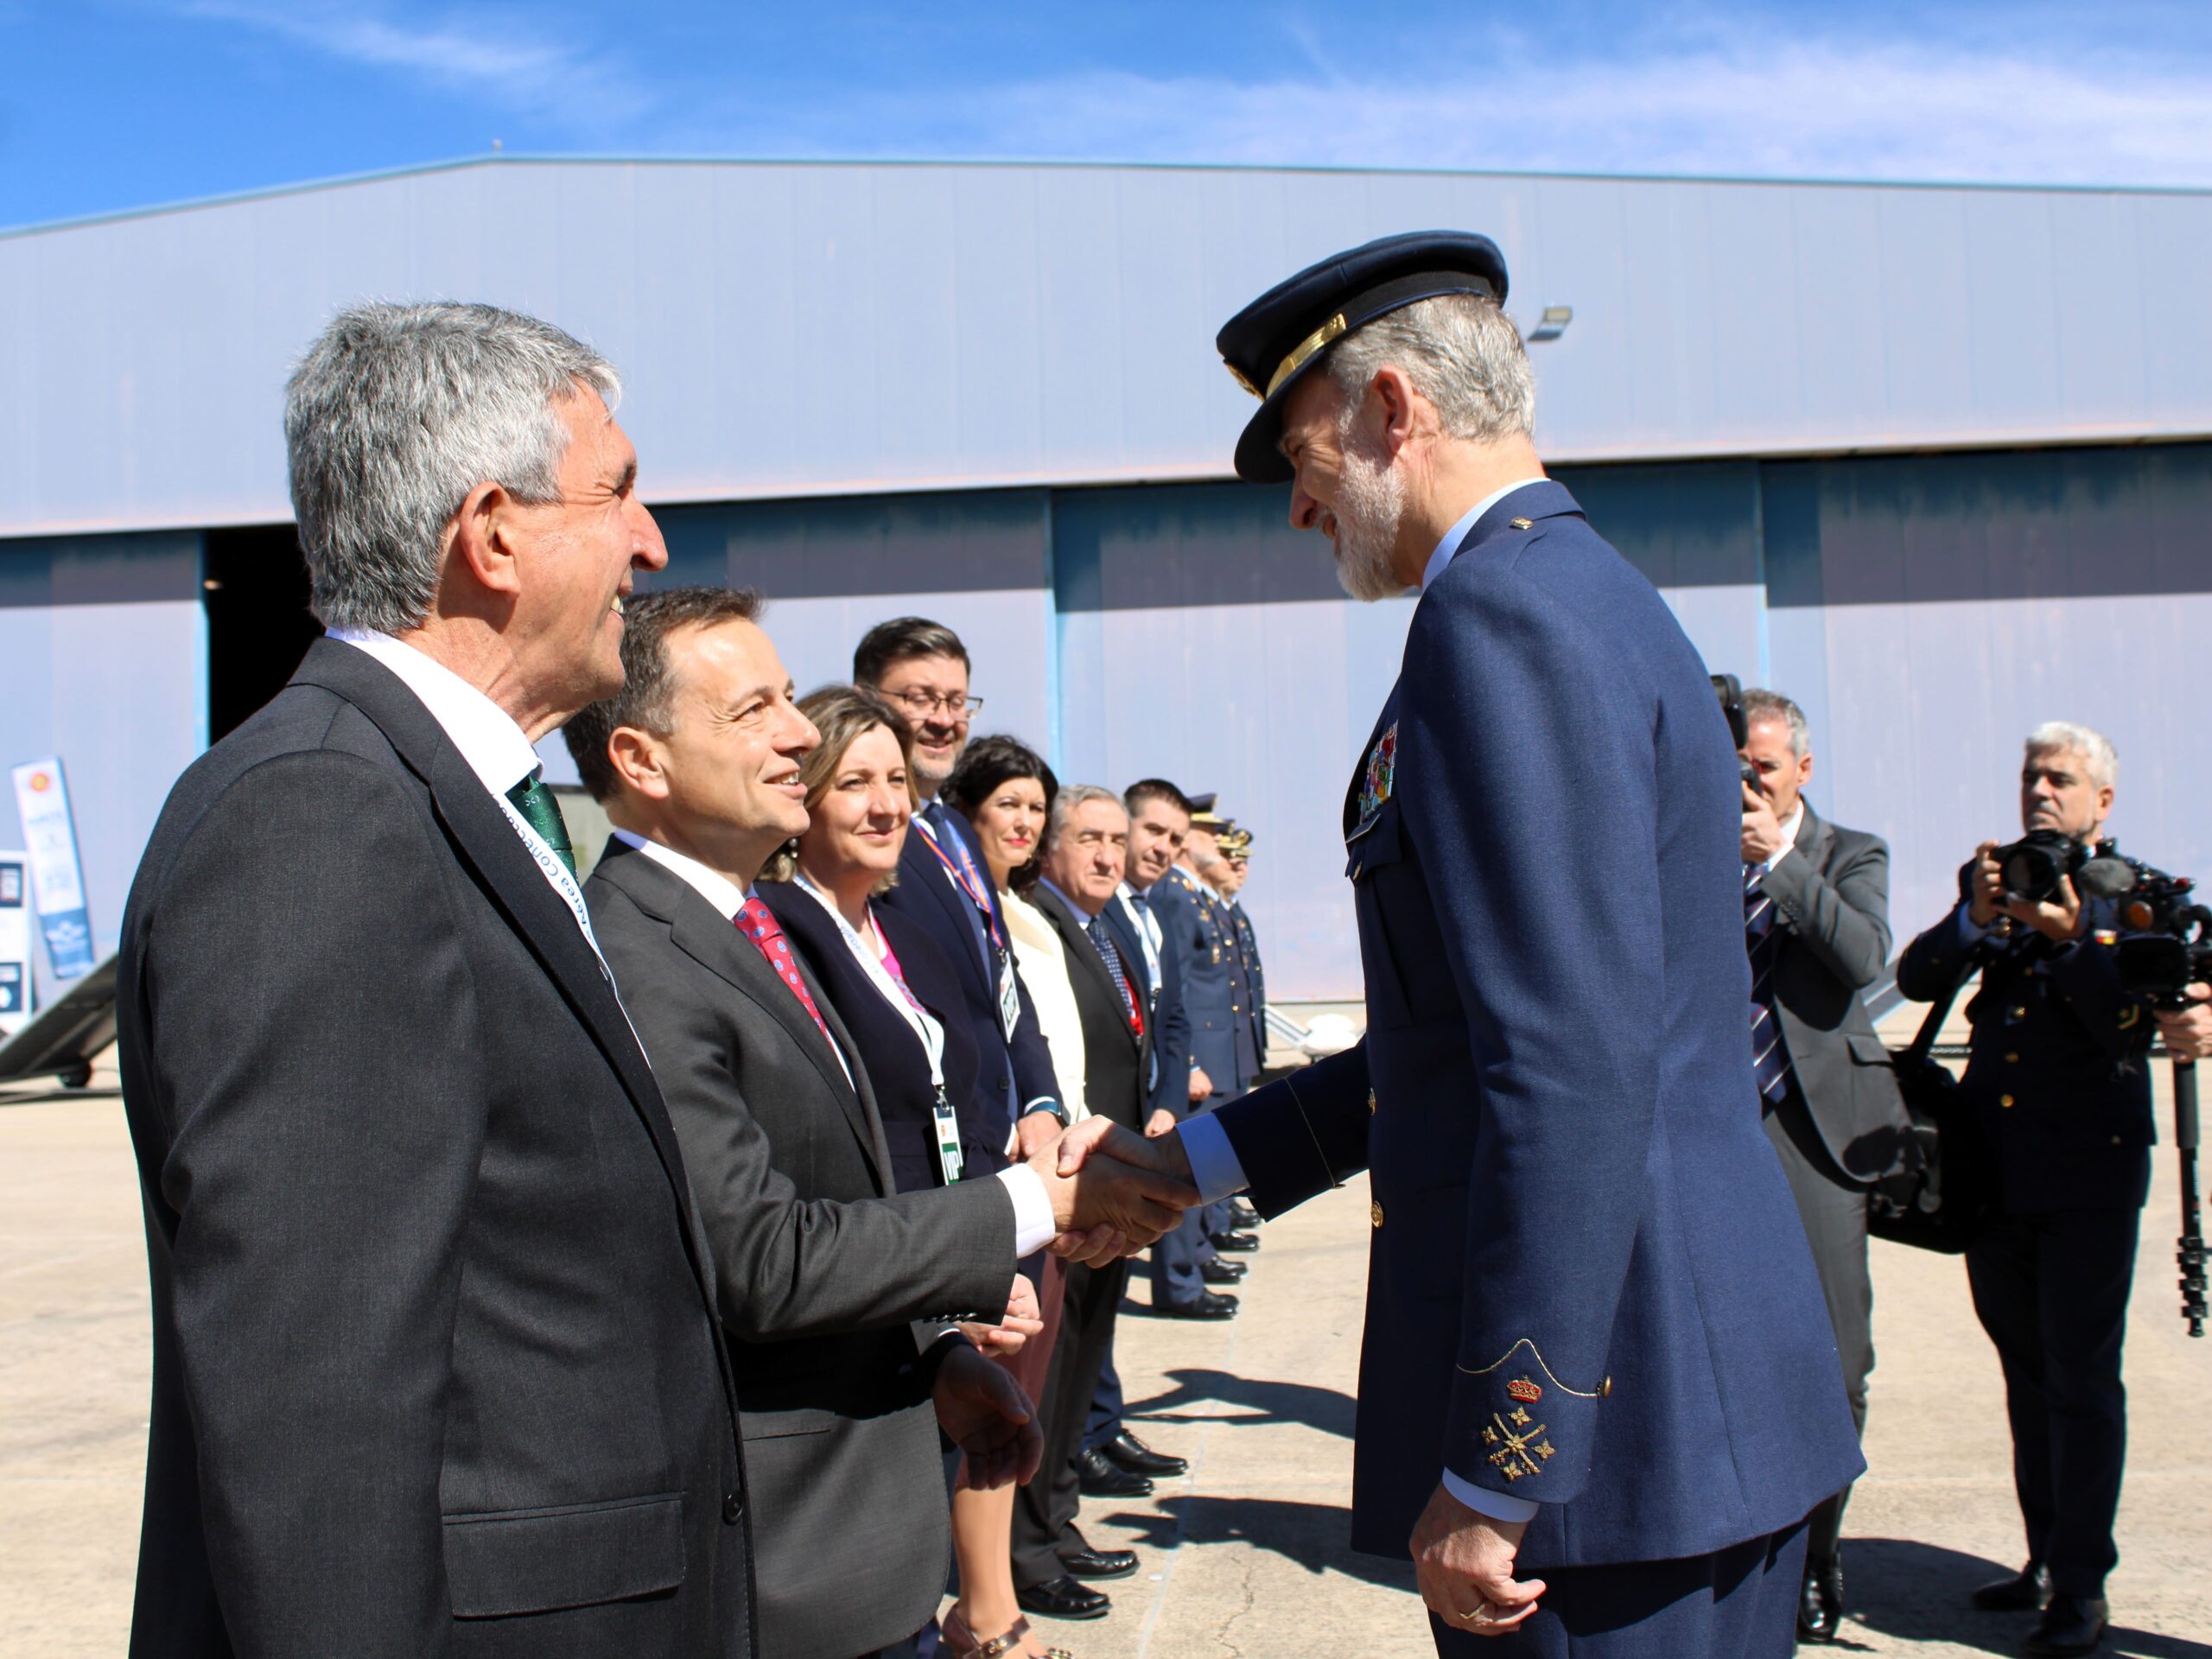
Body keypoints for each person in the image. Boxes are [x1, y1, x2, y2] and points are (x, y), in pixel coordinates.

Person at [1069, 231, 1862, 1656]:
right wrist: (1192, 1166)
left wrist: (1507, 1462)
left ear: (1391, 409)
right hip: (1675, 1407)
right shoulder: (1574, 588)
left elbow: (1571, 1067)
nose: (1303, 515)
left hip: (1614, 1445)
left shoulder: (1499, 618)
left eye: (1304, 462)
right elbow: (1459, 1042)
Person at [113, 302, 752, 1656]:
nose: (653, 541)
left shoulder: (450, 798)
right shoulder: (321, 818)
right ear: (494, 533)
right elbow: (313, 1401)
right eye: (620, 490)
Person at [564, 589, 1190, 1658]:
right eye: (754, 710)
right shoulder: (642, 957)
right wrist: (1035, 1202)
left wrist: (933, 1358)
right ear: (643, 760)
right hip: (792, 1560)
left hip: (865, 1529)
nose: (801, 731)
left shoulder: (728, 929)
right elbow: (757, 1256)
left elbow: (825, 1195)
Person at [1897, 721, 2156, 1658]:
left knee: (2081, 1381)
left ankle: (2083, 1588)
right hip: (1996, 1181)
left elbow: (2131, 1025)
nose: (2041, 792)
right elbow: (1915, 975)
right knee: (2026, 1377)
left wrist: (2071, 935)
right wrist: (1975, 915)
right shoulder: (2000, 883)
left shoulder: (2126, 898)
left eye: (2060, 779)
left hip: (2087, 1181)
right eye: (2030, 777)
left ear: (2101, 803)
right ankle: (2043, 1559)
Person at [1734, 688, 1914, 1644]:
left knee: (1836, 1364)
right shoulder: (1691, 842)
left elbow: (1862, 959)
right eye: (1735, 770)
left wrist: (1782, 862)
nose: (1748, 786)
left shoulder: (1851, 852)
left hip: (1814, 1133)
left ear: (1801, 768)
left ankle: (1817, 1552)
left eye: (1762, 769)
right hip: (1716, 1120)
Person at [1012, 787, 1159, 1625]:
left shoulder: (1105, 932)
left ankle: (1057, 1519)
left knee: (1085, 1362)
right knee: (1053, 1368)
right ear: (1054, 848)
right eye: (1090, 839)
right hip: (1070, 1185)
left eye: (1116, 839)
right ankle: (1027, 1547)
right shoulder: (1039, 924)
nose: (1107, 855)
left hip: (1115, 1185)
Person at [857, 620, 1069, 1165]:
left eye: (957, 701)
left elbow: (1003, 975)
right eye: (920, 698)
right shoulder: (864, 834)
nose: (944, 720)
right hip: (947, 1149)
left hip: (1018, 1135)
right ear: (866, 699)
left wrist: (1042, 1102)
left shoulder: (953, 829)